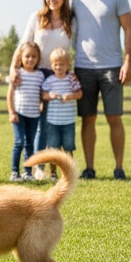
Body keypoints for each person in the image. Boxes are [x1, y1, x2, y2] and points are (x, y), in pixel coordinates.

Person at [70, 0, 131, 180]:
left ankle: (119, 168)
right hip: (83, 67)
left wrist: (128, 61)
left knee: (114, 117)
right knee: (88, 118)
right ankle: (89, 168)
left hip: (113, 66)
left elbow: (128, 28)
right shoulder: (75, 0)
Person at [9, 0, 76, 178]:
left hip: (59, 75)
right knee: (39, 123)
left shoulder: (70, 20)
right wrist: (14, 67)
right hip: (36, 74)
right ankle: (38, 167)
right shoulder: (37, 17)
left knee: (52, 123)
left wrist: (74, 73)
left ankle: (57, 164)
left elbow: (77, 46)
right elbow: (23, 44)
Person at [40, 47, 82, 179]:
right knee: (53, 148)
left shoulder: (71, 79)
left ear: (67, 65)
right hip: (53, 121)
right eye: (56, 64)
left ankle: (69, 172)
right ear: (52, 65)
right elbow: (43, 95)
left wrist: (71, 96)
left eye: (62, 64)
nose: (58, 67)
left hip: (68, 120)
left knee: (68, 147)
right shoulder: (50, 80)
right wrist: (50, 95)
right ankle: (53, 173)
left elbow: (80, 94)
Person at [7, 42, 45, 181]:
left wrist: (41, 105)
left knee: (30, 144)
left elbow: (41, 93)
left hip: (34, 115)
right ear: (21, 57)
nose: (30, 59)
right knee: (19, 142)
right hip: (19, 114)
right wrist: (12, 112)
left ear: (38, 58)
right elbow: (10, 94)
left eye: (34, 56)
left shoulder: (40, 75)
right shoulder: (18, 73)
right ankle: (14, 172)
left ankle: (27, 172)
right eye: (27, 56)